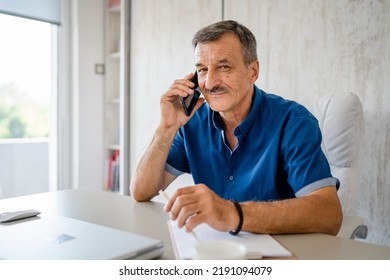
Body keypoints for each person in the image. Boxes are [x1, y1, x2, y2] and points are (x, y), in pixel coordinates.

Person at [130, 20, 342, 236]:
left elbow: (329, 215)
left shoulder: (294, 122)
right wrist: (167, 127)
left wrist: (231, 214)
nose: (210, 82)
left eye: (224, 67)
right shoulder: (192, 122)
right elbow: (141, 191)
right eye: (202, 70)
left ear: (253, 71)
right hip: (213, 251)